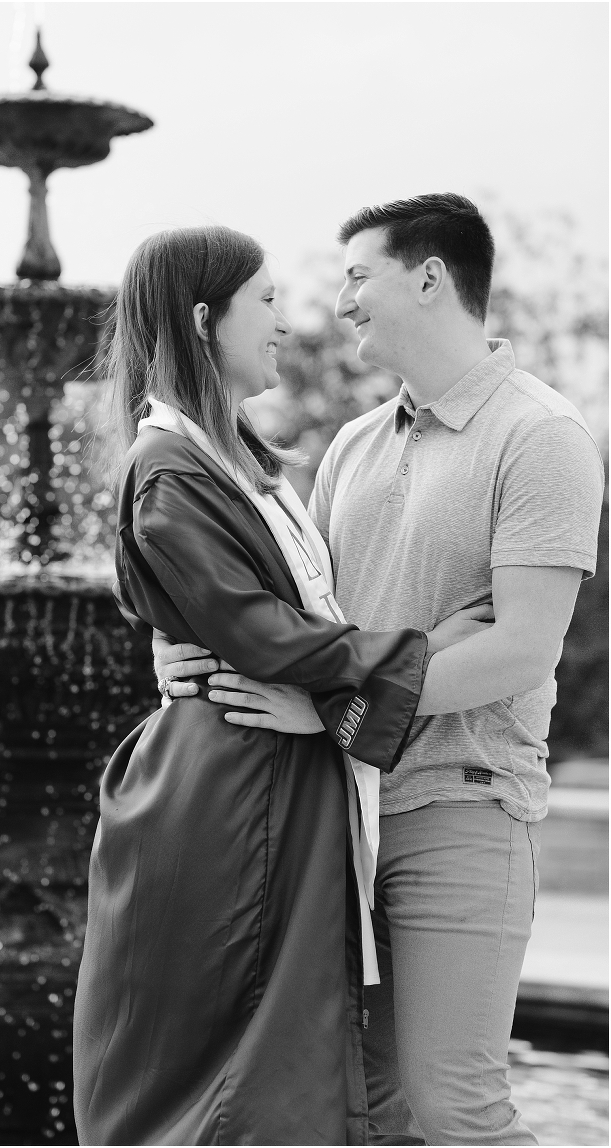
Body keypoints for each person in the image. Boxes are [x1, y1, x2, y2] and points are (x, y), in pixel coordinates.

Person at [157, 195, 605, 1146]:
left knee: (457, 1106)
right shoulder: (354, 445)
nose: (343, 300)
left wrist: (326, 715)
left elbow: (522, 647)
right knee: (361, 1109)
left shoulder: (543, 437)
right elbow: (304, 628)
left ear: (430, 276)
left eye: (359, 274)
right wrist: (182, 646)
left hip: (463, 808)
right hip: (340, 818)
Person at [72, 225, 496, 1147]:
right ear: (201, 318)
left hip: (269, 776)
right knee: (242, 1080)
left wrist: (359, 680)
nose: (285, 322)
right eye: (264, 301)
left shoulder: (232, 456)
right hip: (230, 794)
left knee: (292, 1067)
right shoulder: (169, 467)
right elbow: (255, 632)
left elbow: (283, 621)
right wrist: (420, 653)